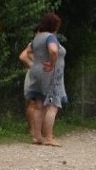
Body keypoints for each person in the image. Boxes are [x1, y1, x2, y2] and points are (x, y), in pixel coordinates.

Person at [26, 13, 67, 147]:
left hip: (36, 71)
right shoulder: (50, 37)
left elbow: (26, 53)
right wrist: (52, 63)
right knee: (52, 105)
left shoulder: (37, 38)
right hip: (50, 74)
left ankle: (38, 136)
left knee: (39, 104)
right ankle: (49, 136)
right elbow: (53, 51)